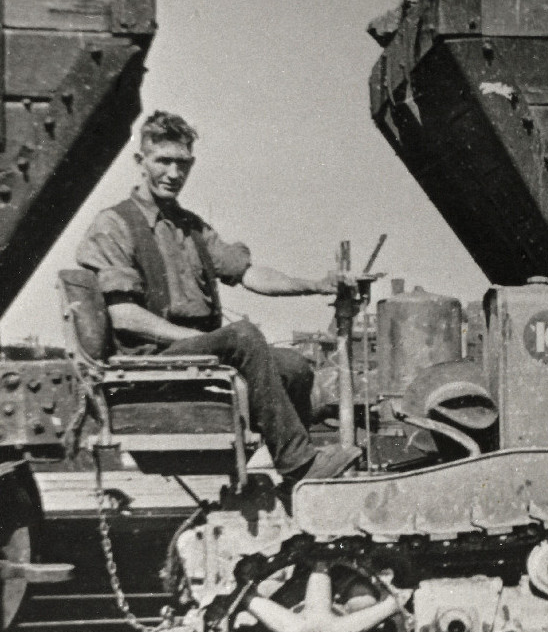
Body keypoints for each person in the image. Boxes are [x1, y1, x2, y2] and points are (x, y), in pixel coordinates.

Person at [76, 110, 360, 483]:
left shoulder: (191, 227)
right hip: (148, 361)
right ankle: (300, 463)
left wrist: (316, 284)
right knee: (242, 335)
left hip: (197, 353)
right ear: (140, 161)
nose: (174, 174)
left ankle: (296, 473)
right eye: (163, 161)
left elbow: (248, 273)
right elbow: (125, 316)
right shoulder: (114, 224)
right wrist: (201, 342)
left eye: (183, 164)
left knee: (295, 367)